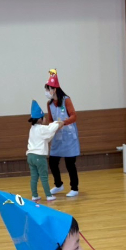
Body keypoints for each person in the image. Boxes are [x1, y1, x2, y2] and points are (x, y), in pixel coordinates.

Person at [45, 69, 80, 198]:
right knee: (53, 162)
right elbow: (50, 119)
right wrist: (51, 128)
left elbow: (74, 116)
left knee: (70, 163)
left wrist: (63, 123)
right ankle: (59, 185)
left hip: (69, 136)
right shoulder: (49, 104)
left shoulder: (66, 100)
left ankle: (74, 188)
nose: (47, 92)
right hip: (57, 137)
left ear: (54, 89)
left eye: (48, 89)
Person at [27, 99, 62, 201]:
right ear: (39, 119)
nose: (45, 119)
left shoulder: (32, 129)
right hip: (39, 156)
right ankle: (49, 196)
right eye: (43, 117)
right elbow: (50, 129)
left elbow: (47, 137)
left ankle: (34, 195)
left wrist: (54, 127)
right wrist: (58, 123)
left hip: (30, 156)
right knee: (43, 176)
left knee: (34, 177)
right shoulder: (41, 128)